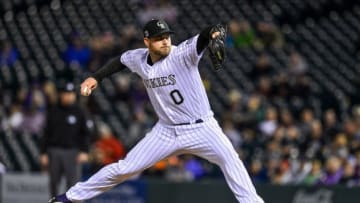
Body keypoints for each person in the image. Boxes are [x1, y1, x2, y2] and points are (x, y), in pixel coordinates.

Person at [49, 19, 264, 203]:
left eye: (167, 36)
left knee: (231, 160)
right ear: (147, 42)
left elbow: (206, 34)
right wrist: (96, 77)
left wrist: (215, 34)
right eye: (159, 38)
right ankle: (69, 198)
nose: (165, 41)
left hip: (202, 127)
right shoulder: (139, 58)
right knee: (125, 168)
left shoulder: (181, 54)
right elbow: (120, 61)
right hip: (166, 131)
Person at [40, 81, 91, 198]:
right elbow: (45, 133)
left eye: (71, 93)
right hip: (54, 151)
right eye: (66, 93)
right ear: (61, 95)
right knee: (53, 183)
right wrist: (43, 153)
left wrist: (85, 151)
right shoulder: (53, 111)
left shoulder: (80, 111)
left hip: (73, 152)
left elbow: (86, 133)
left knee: (73, 184)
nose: (68, 96)